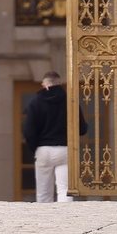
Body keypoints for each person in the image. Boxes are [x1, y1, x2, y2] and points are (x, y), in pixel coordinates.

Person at [22, 71, 73, 203]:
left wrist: (35, 148)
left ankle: (45, 222)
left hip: (43, 149)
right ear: (59, 83)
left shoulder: (35, 102)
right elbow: (82, 127)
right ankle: (68, 220)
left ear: (45, 84)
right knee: (65, 190)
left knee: (43, 193)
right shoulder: (70, 101)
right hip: (64, 148)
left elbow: (28, 130)